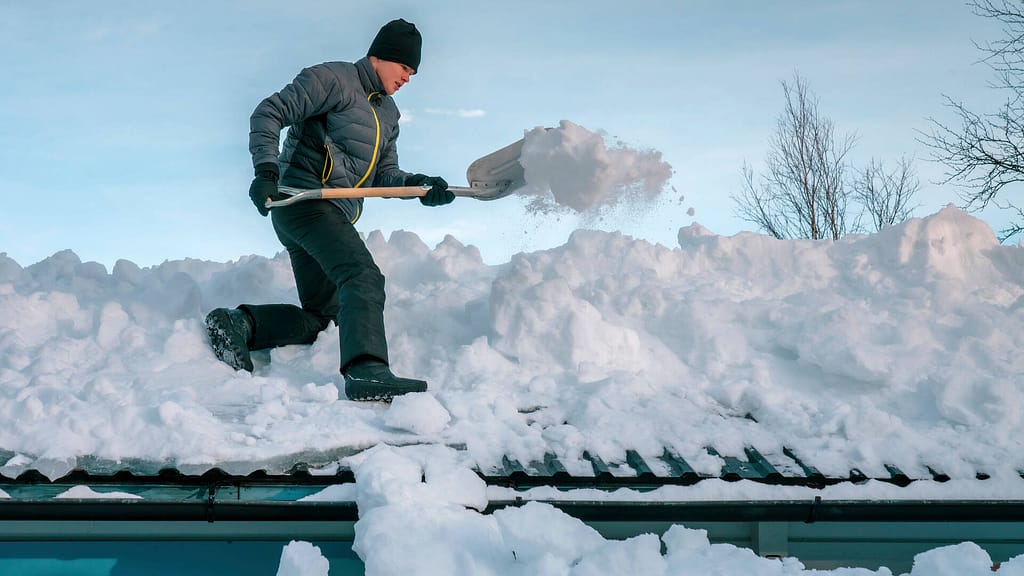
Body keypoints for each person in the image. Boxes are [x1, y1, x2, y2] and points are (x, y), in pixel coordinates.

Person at [204, 18, 454, 402]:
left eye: (413, 72)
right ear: (382, 56)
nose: (409, 77)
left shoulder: (389, 115)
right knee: (362, 275)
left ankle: (241, 324)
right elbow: (268, 112)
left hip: (327, 213)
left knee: (325, 319)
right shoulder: (333, 79)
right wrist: (266, 172)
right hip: (303, 200)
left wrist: (420, 186)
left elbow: (383, 176)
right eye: (405, 67)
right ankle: (367, 370)